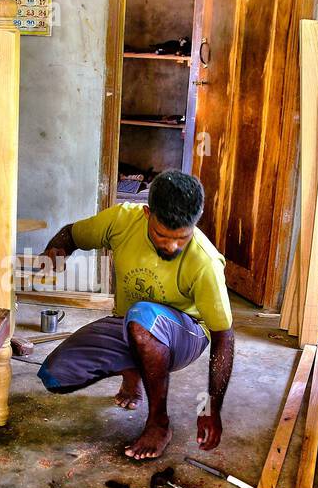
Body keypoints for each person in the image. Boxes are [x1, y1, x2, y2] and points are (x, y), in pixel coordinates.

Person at [36, 170, 234, 460]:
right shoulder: (121, 220)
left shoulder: (205, 262)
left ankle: (158, 422)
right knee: (56, 375)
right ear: (146, 213)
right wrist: (54, 253)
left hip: (187, 334)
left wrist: (212, 408)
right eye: (162, 235)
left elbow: (223, 338)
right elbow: (71, 234)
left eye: (181, 238)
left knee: (142, 317)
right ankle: (133, 374)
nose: (171, 246)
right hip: (132, 322)